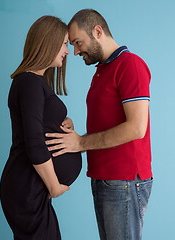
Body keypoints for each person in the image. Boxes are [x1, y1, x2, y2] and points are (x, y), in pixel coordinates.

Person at [45, 9, 153, 240]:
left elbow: (137, 127)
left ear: (97, 31)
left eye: (78, 42)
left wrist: (81, 143)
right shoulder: (102, 70)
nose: (74, 51)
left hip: (123, 181)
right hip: (105, 178)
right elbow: (105, 121)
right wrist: (72, 131)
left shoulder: (130, 65)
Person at [0, 15, 82, 240]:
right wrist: (54, 186)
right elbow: (34, 142)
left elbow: (38, 125)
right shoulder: (29, 83)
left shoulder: (33, 83)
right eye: (64, 43)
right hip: (27, 188)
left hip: (31, 189)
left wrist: (64, 122)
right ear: (48, 42)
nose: (66, 51)